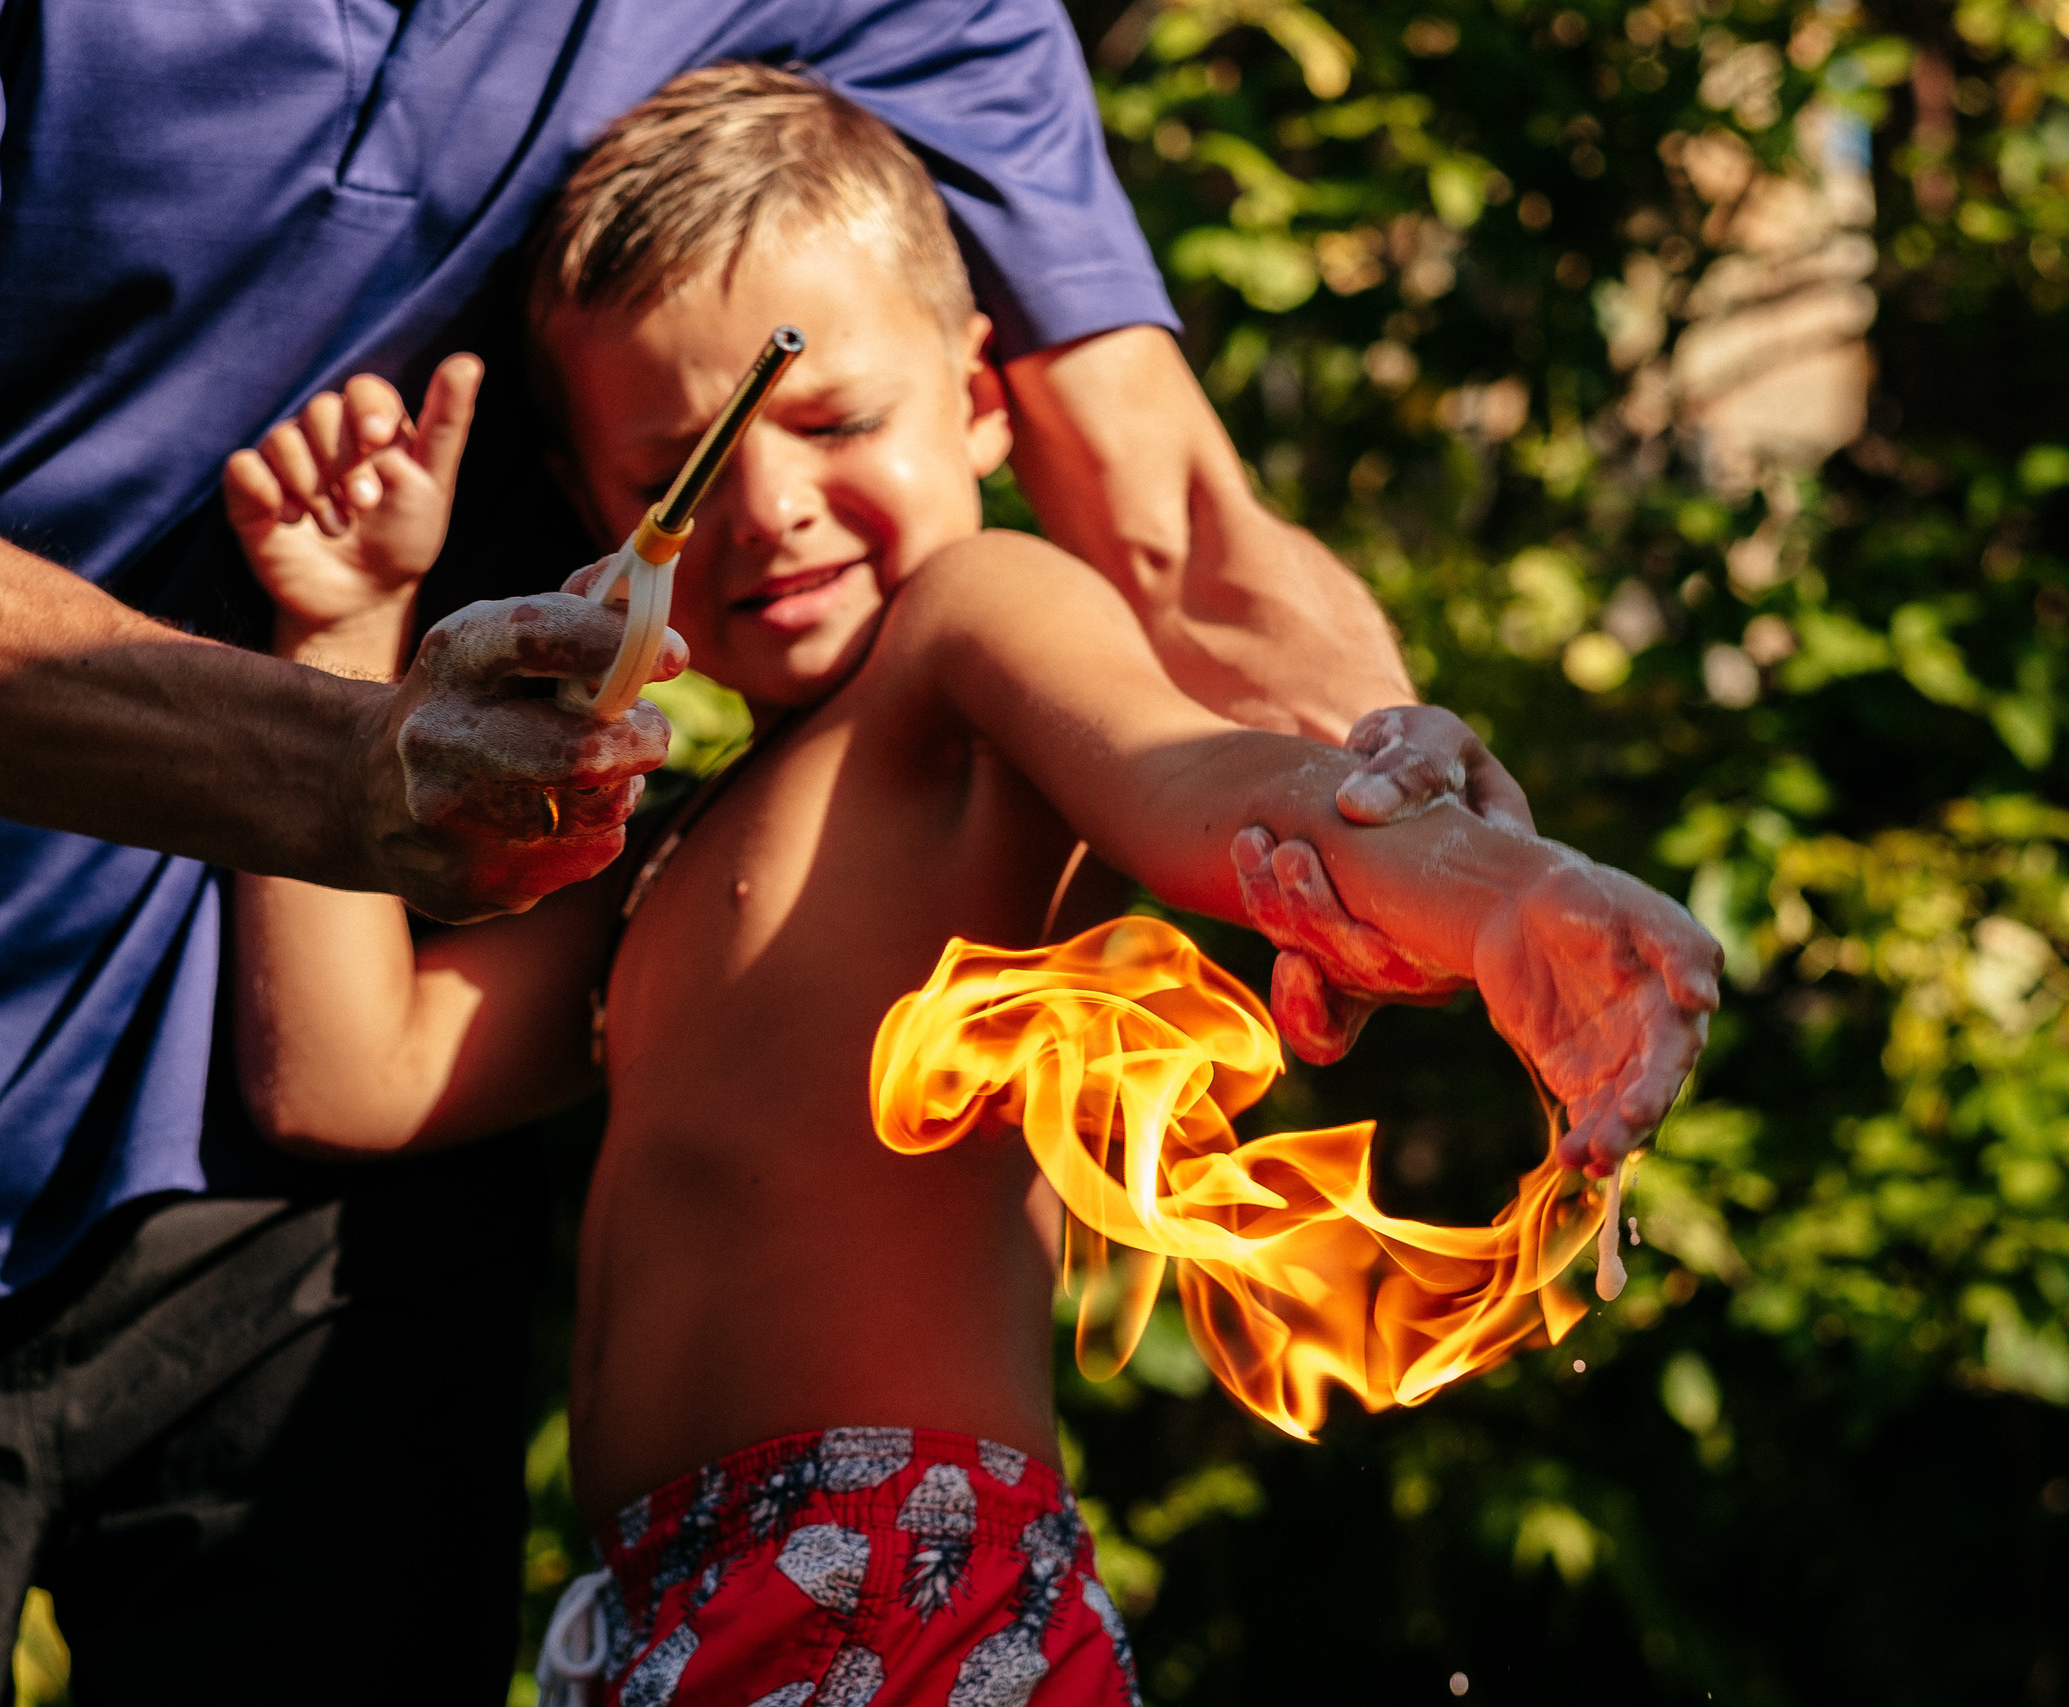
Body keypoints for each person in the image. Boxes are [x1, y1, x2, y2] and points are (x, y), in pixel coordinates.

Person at [0, 4, 1527, 1700]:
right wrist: (349, 741)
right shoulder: (646, 900)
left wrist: (1419, 833)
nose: (776, 509)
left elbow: (1169, 524)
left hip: (338, 1259)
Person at [223, 67, 1720, 1704]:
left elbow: (1192, 780)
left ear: (982, 401)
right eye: (681, 472)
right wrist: (341, 643)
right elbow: (344, 1078)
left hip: (907, 1588)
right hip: (658, 1620)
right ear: (604, 523)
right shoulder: (653, 851)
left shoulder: (969, 634)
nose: (771, 505)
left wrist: (1500, 897)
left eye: (836, 421)